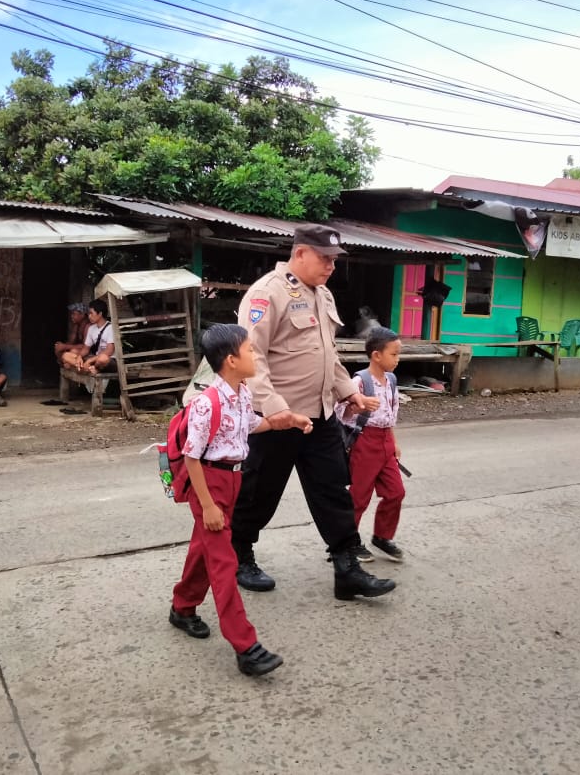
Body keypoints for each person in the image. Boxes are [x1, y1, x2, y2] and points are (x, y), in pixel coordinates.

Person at [231, 223, 397, 601]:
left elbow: (328, 354)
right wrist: (275, 411)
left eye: (334, 260)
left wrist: (347, 391)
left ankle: (346, 568)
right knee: (260, 493)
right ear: (300, 253)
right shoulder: (267, 294)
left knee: (333, 489)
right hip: (279, 418)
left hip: (320, 415)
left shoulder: (323, 296)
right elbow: (251, 358)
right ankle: (240, 554)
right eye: (324, 258)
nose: (331, 267)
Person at [170, 324, 313, 677]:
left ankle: (182, 607)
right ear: (232, 360)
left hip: (233, 480)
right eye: (250, 350)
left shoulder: (242, 394)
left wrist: (286, 421)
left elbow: (250, 425)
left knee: (204, 550)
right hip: (209, 482)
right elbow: (192, 457)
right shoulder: (207, 403)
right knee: (223, 563)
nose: (255, 355)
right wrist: (207, 505)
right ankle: (246, 646)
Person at [335, 327, 406, 563]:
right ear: (377, 355)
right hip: (365, 441)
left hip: (385, 442)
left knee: (396, 492)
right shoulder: (360, 381)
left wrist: (393, 442)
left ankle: (382, 536)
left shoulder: (392, 380)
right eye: (394, 354)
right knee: (358, 497)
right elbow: (340, 411)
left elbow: (392, 412)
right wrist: (357, 406)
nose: (397, 359)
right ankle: (349, 542)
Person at [60, 299, 115, 374]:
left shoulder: (110, 328)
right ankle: (88, 368)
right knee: (65, 356)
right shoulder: (91, 328)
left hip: (108, 360)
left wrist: (89, 360)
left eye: (91, 313)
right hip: (94, 358)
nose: (89, 316)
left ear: (100, 314)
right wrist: (79, 357)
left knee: (103, 359)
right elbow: (86, 349)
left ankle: (89, 368)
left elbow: (109, 351)